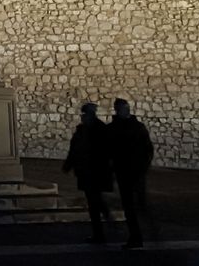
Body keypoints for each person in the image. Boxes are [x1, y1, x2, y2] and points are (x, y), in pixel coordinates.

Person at [62, 102, 113, 243]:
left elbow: (106, 151)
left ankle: (100, 231)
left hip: (95, 171)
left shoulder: (98, 130)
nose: (83, 117)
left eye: (85, 114)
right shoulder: (86, 129)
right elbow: (75, 149)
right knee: (94, 201)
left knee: (94, 201)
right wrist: (69, 164)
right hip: (87, 171)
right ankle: (102, 228)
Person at [108, 97, 154, 250]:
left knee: (135, 206)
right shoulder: (133, 127)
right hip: (128, 172)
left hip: (131, 172)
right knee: (133, 206)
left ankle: (140, 235)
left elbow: (148, 149)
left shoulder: (123, 128)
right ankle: (139, 236)